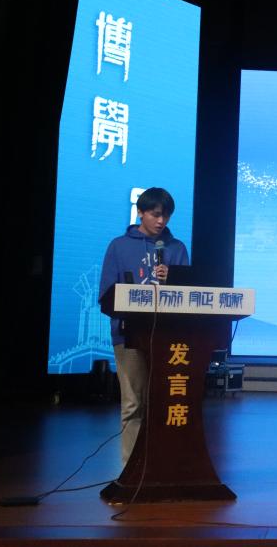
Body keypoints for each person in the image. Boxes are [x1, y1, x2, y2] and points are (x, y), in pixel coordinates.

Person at [98, 187, 189, 466]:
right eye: (156, 214)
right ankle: (131, 469)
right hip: (129, 335)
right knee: (133, 403)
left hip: (167, 337)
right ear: (140, 212)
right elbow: (105, 295)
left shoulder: (176, 248)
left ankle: (159, 466)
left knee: (162, 403)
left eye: (167, 216)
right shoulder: (119, 246)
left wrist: (173, 279)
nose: (162, 221)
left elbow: (189, 296)